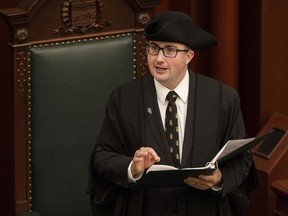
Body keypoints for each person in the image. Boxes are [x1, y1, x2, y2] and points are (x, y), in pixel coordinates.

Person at [87, 11, 259, 216]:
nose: (159, 59)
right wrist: (132, 167)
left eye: (169, 50)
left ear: (189, 56)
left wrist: (220, 179)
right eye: (153, 48)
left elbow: (242, 159)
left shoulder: (223, 98)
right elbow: (101, 157)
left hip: (204, 208)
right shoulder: (124, 99)